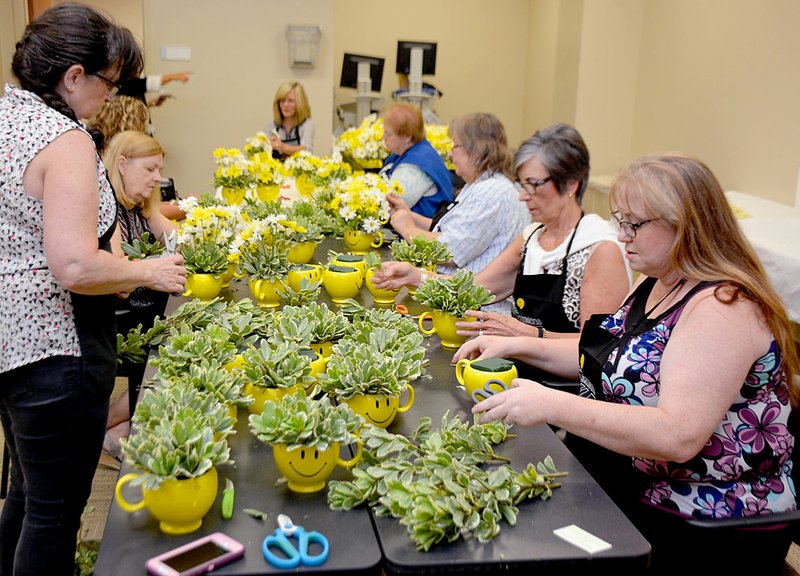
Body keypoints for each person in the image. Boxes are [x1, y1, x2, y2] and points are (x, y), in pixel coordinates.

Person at [455, 152, 799, 575]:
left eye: (635, 224)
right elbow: (604, 355)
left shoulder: (723, 307)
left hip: (702, 519)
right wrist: (514, 344)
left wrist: (548, 403)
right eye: (621, 220)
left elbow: (677, 435)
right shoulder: (656, 280)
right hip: (627, 479)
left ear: (686, 225)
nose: (622, 236)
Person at [0, 5, 185, 575]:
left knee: (28, 495)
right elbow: (76, 266)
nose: (112, 93)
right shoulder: (66, 141)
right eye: (108, 80)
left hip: (11, 343)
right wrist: (147, 273)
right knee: (55, 514)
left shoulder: (8, 115)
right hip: (58, 346)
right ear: (73, 76)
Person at [373, 123, 629, 329]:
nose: (522, 195)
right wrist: (414, 276)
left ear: (571, 184)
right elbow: (475, 288)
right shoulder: (531, 237)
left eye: (534, 184)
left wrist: (520, 333)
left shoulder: (599, 248)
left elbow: (594, 350)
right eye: (522, 183)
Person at [384, 113, 530, 299]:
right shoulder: (480, 185)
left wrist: (407, 229)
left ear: (476, 150)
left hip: (474, 312)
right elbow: (456, 231)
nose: (450, 153)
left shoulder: (490, 193)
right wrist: (410, 215)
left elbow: (450, 251)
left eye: (455, 145)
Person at [102, 130, 179, 464]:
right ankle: (104, 429)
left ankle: (117, 427)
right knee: (173, 347)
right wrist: (156, 266)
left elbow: (178, 242)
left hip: (140, 313)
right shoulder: (107, 206)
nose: (158, 178)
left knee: (179, 336)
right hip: (112, 321)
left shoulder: (137, 206)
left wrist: (151, 211)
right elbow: (119, 272)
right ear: (122, 164)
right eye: (150, 169)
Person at [378, 102, 454, 218]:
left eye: (388, 134)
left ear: (407, 136)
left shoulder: (413, 168)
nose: (383, 138)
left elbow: (386, 208)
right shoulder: (413, 150)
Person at [268, 81, 315, 159]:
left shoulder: (308, 125)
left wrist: (283, 147)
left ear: (300, 103)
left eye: (290, 101)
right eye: (282, 100)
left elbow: (307, 150)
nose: (285, 105)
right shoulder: (271, 127)